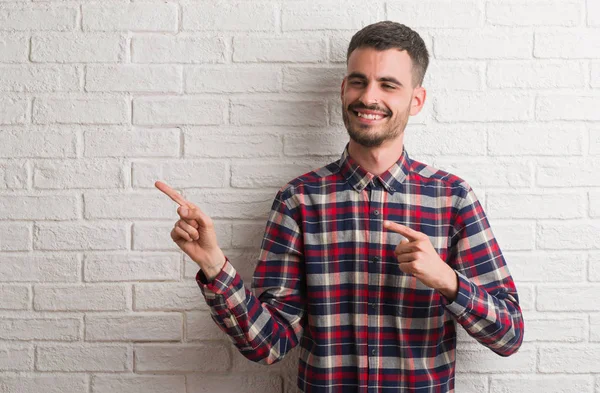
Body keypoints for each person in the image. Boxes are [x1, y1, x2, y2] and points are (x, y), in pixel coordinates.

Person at [156, 21, 524, 393]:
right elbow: (267, 344)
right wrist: (214, 265)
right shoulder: (298, 199)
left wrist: (447, 280)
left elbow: (508, 335)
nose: (369, 97)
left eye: (388, 85)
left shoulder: (452, 198)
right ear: (344, 88)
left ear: (416, 100)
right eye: (359, 81)